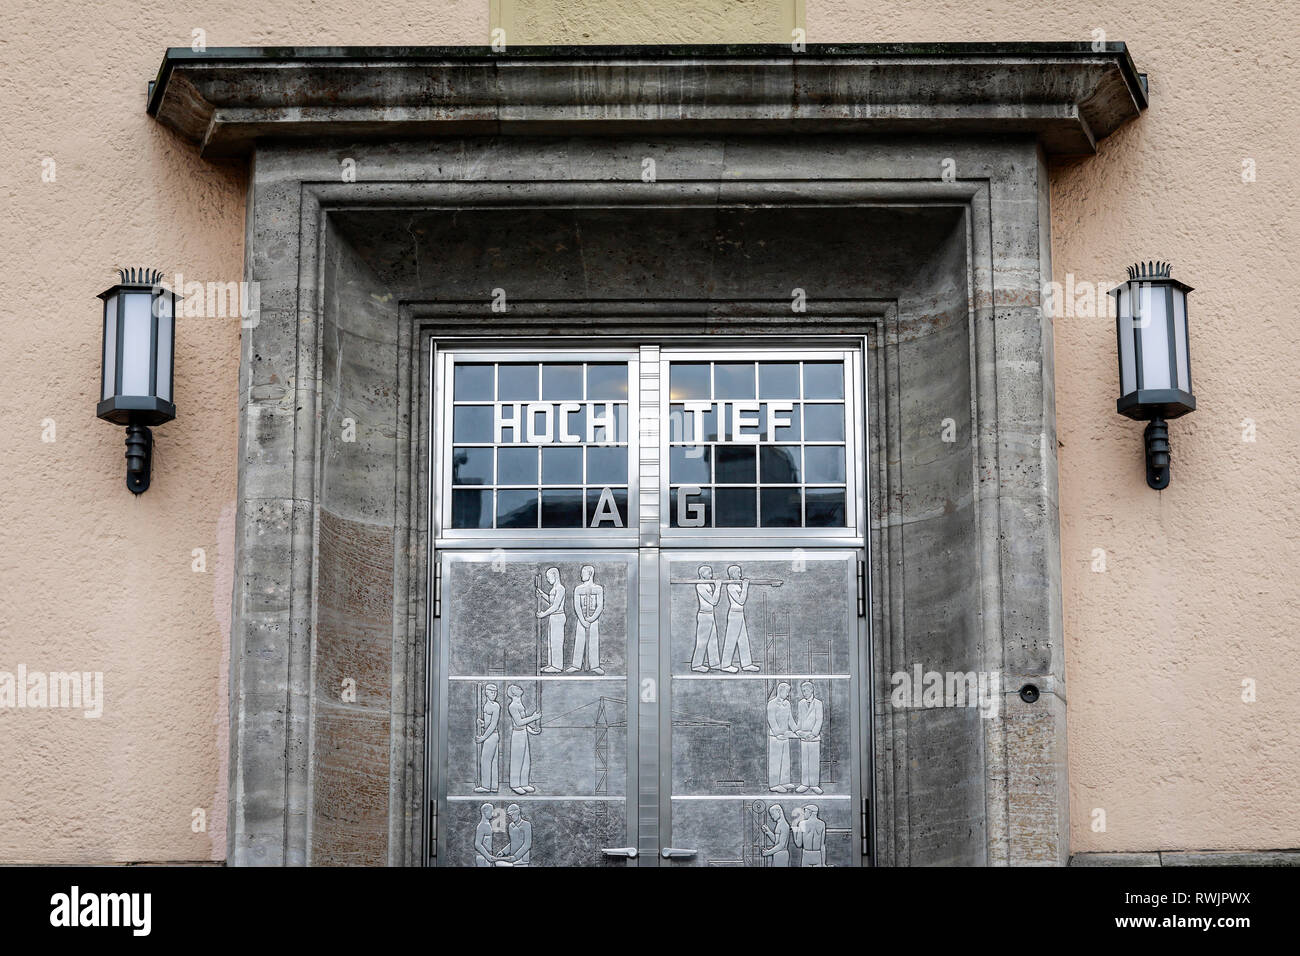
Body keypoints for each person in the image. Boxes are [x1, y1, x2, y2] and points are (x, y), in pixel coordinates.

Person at [719, 565, 760, 672]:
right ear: (733, 575)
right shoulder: (731, 586)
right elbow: (741, 601)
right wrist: (745, 587)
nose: (740, 575)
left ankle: (746, 664)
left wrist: (744, 585)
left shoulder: (736, 585)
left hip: (740, 614)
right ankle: (725, 665)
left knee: (743, 640)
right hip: (734, 615)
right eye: (738, 573)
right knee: (731, 639)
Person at [568, 565, 604, 675]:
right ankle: (576, 665)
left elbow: (600, 605)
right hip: (582, 618)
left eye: (584, 573)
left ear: (590, 573)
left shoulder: (598, 589)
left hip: (593, 618)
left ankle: (595, 666)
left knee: (593, 641)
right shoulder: (578, 589)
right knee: (579, 640)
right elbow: (577, 606)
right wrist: (583, 620)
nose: (581, 575)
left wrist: (592, 619)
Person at [507, 684, 541, 794]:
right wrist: (533, 718)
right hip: (517, 735)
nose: (520, 688)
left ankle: (524, 783)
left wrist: (532, 730)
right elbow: (519, 722)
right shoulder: (512, 706)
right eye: (517, 688)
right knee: (517, 760)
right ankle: (515, 785)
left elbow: (524, 725)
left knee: (526, 760)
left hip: (524, 733)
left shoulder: (519, 703)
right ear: (513, 693)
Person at [690, 566, 722, 672]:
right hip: (704, 615)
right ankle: (696, 665)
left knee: (713, 640)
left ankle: (714, 663)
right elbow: (713, 601)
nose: (711, 575)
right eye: (709, 573)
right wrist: (718, 587)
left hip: (710, 615)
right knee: (702, 641)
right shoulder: (700, 586)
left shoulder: (707, 584)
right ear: (702, 574)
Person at [767, 682, 797, 792]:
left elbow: (790, 719)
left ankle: (784, 781)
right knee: (776, 760)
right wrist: (778, 733)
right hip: (775, 736)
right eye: (787, 691)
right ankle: (774, 784)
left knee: (785, 759)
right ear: (781, 691)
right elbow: (772, 720)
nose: (788, 694)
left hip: (785, 735)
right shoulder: (771, 703)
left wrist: (797, 730)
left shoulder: (787, 704)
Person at [795, 680, 823, 794]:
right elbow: (800, 719)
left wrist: (814, 733)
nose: (804, 693)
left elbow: (819, 719)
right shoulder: (801, 703)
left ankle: (815, 784)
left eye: (805, 690)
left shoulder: (818, 703)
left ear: (811, 690)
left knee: (814, 761)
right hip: (804, 736)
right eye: (803, 691)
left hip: (814, 737)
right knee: (805, 761)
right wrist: (798, 731)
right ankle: (805, 783)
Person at [536, 567, 566, 673]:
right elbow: (550, 601)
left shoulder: (560, 588)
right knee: (551, 642)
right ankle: (551, 664)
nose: (548, 580)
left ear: (555, 575)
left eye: (549, 577)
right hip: (553, 617)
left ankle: (557, 666)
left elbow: (556, 606)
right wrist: (542, 594)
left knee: (557, 642)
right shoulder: (553, 589)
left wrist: (543, 614)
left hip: (558, 616)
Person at [474, 684, 500, 793]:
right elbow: (489, 723)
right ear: (486, 692)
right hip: (491, 735)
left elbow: (493, 724)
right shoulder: (488, 704)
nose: (494, 694)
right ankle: (493, 787)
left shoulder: (495, 706)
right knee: (493, 761)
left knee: (486, 760)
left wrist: (483, 738)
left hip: (491, 736)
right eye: (491, 691)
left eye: (495, 692)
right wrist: (483, 723)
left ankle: (485, 786)